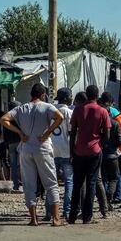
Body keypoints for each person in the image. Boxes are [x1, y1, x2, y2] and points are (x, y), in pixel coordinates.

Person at [0, 83, 64, 226]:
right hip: (43, 148)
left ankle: (33, 219)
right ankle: (56, 219)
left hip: (26, 148)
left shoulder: (21, 108)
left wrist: (20, 133)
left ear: (31, 95)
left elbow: (3, 119)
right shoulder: (47, 107)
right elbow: (60, 117)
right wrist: (48, 132)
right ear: (43, 95)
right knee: (51, 183)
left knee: (29, 185)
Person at [68, 85, 111, 224]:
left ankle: (72, 216)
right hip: (94, 151)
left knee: (77, 184)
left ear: (86, 94)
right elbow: (107, 134)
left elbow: (73, 131)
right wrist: (99, 145)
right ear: (97, 95)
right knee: (91, 183)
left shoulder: (78, 109)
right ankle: (87, 216)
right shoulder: (102, 111)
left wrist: (72, 151)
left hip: (79, 151)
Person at [44, 88, 74, 220]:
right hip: (66, 151)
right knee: (69, 182)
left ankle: (48, 212)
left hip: (51, 150)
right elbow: (72, 132)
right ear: (67, 98)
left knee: (50, 182)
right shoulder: (68, 112)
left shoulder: (50, 110)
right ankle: (66, 211)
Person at [101, 106, 121, 211]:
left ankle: (104, 200)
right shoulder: (115, 123)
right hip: (113, 156)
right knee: (114, 178)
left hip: (101, 155)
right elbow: (120, 141)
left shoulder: (98, 124)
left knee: (103, 179)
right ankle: (109, 196)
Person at [3, 101, 22, 191]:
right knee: (21, 165)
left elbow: (5, 134)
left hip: (10, 144)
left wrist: (7, 145)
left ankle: (16, 185)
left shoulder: (6, 118)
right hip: (20, 143)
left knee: (13, 166)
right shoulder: (20, 118)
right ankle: (23, 183)